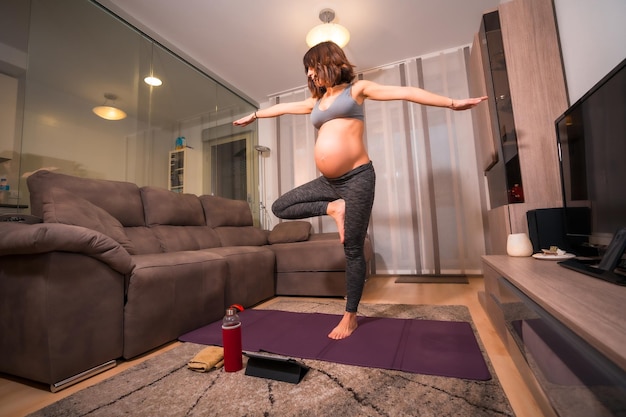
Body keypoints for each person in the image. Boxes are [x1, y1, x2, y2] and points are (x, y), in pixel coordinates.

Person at [234, 41, 487, 340]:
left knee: (352, 248)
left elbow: (405, 92)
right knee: (281, 207)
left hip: (357, 179)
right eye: (308, 71)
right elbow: (284, 108)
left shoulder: (357, 90)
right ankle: (333, 208)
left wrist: (452, 103)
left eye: (313, 67)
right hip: (329, 183)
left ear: (328, 62)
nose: (311, 74)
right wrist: (256, 115)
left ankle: (350, 316)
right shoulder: (315, 102)